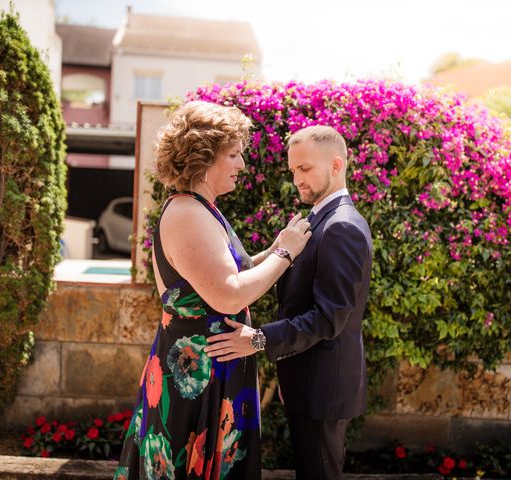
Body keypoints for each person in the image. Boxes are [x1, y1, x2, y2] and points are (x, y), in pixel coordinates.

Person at [113, 101, 312, 480]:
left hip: (210, 371)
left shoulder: (201, 209)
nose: (241, 165)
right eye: (234, 155)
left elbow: (220, 277)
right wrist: (286, 253)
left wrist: (273, 249)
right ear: (205, 158)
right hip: (196, 381)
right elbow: (229, 294)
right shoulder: (188, 213)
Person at [205, 125, 373, 480]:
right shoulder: (317, 218)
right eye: (293, 170)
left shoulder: (341, 226)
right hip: (308, 380)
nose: (297, 178)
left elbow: (330, 317)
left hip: (324, 387)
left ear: (336, 164)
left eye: (306, 169)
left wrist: (259, 339)